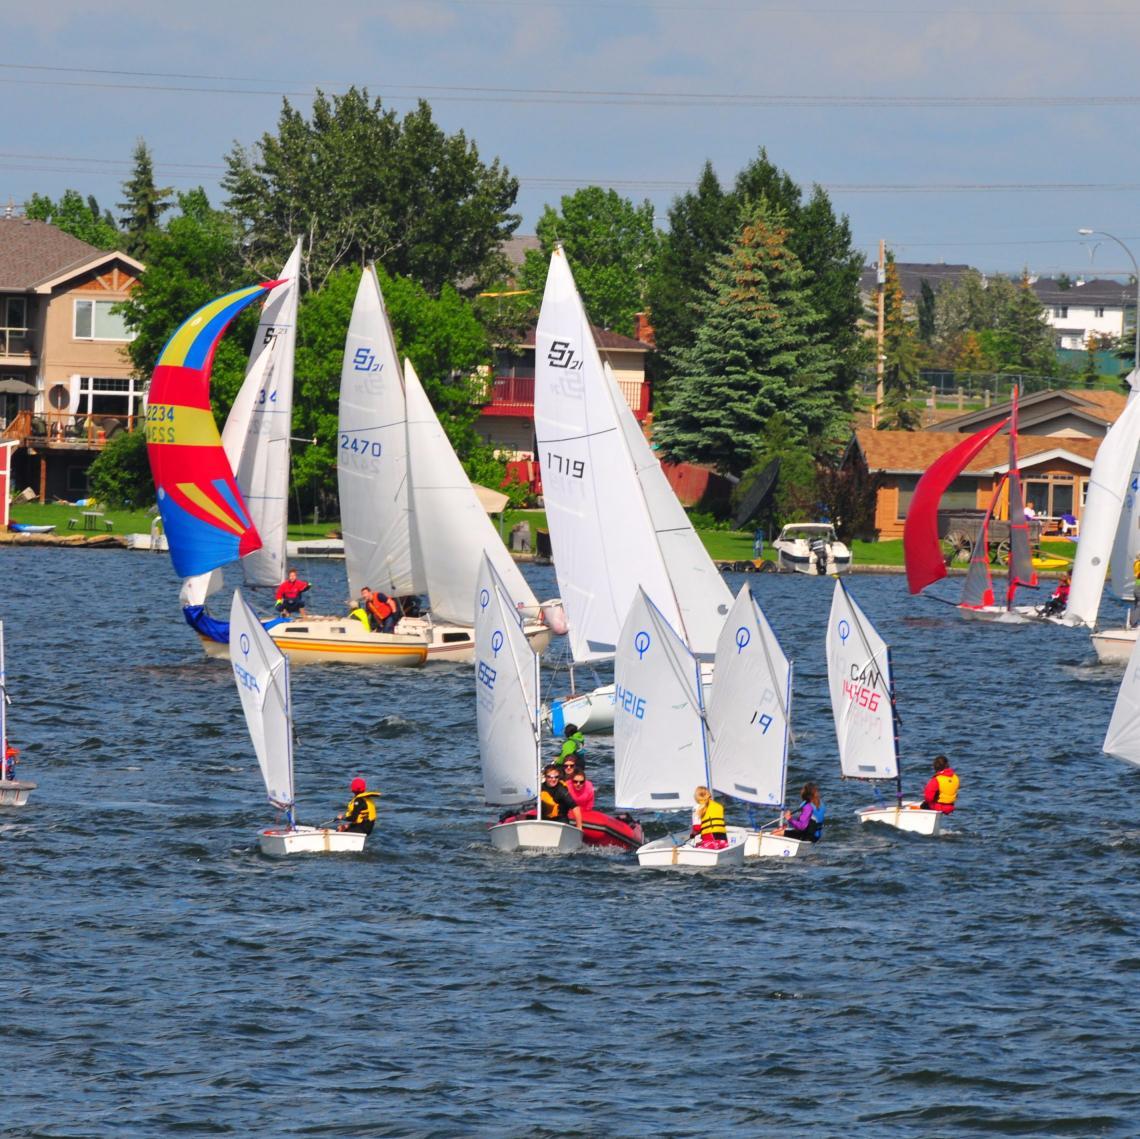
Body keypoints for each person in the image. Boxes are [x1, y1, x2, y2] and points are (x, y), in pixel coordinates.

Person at [539, 764, 582, 828]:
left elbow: (575, 808)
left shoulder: (561, 790)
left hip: (560, 819)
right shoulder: (540, 787)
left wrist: (579, 828)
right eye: (550, 777)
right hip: (544, 818)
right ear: (545, 777)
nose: (553, 779)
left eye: (556, 777)